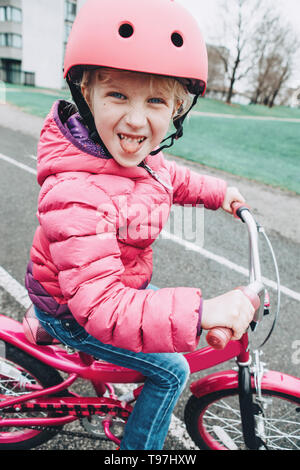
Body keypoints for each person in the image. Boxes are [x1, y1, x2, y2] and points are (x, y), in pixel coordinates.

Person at [25, 0, 255, 450]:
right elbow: (103, 309)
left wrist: (218, 193)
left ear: (175, 111)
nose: (135, 119)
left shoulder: (133, 154)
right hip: (78, 310)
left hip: (99, 284)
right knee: (173, 371)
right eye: (117, 95)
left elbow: (170, 178)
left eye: (154, 100)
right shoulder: (75, 191)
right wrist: (204, 312)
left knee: (156, 314)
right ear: (86, 95)